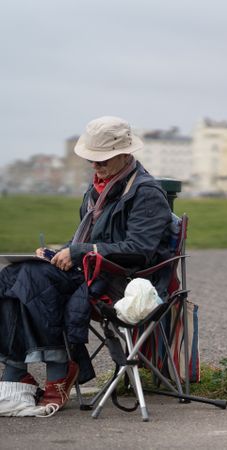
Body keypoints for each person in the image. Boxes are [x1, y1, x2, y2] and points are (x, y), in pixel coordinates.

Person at [0, 116, 173, 412]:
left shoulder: (146, 193)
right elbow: (85, 240)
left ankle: (53, 372)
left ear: (125, 154)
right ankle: (19, 369)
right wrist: (57, 252)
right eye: (92, 160)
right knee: (13, 276)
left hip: (124, 281)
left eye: (102, 160)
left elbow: (139, 251)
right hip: (92, 272)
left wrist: (79, 251)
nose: (96, 166)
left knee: (33, 279)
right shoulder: (96, 191)